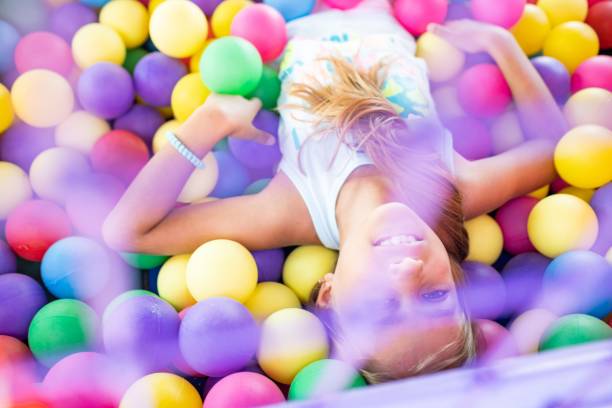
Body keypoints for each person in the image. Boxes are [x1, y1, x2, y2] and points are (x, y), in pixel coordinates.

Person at [103, 0, 567, 383]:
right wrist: (502, 45)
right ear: (454, 278)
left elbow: (130, 232)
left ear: (328, 292)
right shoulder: (452, 188)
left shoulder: (294, 208)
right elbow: (555, 150)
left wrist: (207, 124)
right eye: (433, 298)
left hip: (290, 14)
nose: (407, 274)